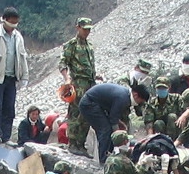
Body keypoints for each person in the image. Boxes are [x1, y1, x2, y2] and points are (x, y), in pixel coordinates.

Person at [0, 7, 29, 144]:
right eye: (11, 23)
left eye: (15, 23)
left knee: (9, 108)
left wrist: (24, 76)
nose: (13, 26)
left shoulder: (17, 37)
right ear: (5, 20)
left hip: (11, 78)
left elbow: (22, 57)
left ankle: (6, 136)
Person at [78, 81, 149, 163]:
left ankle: (109, 154)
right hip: (89, 104)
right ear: (136, 95)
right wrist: (118, 135)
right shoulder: (123, 98)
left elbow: (113, 114)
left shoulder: (125, 95)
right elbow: (113, 119)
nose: (140, 103)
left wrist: (119, 124)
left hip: (96, 104)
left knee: (109, 129)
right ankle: (103, 160)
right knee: (105, 130)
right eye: (141, 101)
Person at [59, 17, 97, 156]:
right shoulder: (72, 45)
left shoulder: (89, 46)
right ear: (78, 28)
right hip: (78, 83)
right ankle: (73, 143)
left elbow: (89, 66)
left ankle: (81, 144)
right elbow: (63, 63)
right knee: (75, 113)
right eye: (84, 29)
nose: (87, 32)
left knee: (87, 114)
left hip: (90, 84)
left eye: (88, 29)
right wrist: (67, 78)